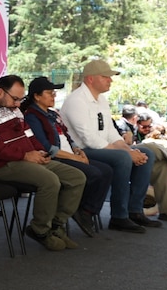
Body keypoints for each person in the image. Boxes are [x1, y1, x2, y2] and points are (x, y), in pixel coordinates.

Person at [0, 75, 86, 251]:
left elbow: (30, 136)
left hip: (27, 158)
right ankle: (40, 230)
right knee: (50, 181)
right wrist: (24, 155)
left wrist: (41, 152)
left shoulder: (14, 109)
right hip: (1, 165)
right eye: (15, 99)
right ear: (0, 92)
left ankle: (56, 225)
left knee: (77, 177)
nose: (18, 104)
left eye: (20, 99)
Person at [59, 59, 158, 233]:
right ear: (90, 79)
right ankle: (119, 216)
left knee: (145, 152)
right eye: (106, 77)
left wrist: (130, 150)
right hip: (82, 151)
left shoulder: (102, 100)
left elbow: (111, 133)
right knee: (122, 158)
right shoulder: (76, 100)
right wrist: (127, 154)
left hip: (100, 148)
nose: (110, 80)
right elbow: (89, 139)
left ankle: (134, 210)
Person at [20, 76, 112, 237]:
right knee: (94, 174)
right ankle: (78, 209)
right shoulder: (32, 116)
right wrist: (75, 158)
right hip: (56, 158)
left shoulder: (53, 114)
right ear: (37, 96)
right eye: (49, 93)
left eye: (54, 93)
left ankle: (86, 210)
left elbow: (67, 136)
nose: (53, 96)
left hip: (70, 154)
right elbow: (45, 146)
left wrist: (77, 149)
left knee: (107, 171)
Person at [119, 109, 167, 223]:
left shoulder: (140, 131)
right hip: (120, 152)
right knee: (150, 146)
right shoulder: (123, 126)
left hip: (139, 159)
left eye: (149, 126)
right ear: (137, 123)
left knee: (164, 166)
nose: (147, 129)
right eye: (144, 127)